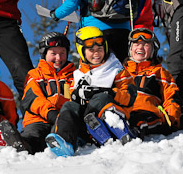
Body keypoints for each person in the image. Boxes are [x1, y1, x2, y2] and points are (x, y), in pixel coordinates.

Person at [45, 27, 137, 157]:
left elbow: (130, 95)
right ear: (82, 51)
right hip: (86, 125)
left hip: (111, 116)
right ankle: (65, 141)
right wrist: (76, 95)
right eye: (91, 50)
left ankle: (121, 132)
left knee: (100, 99)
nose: (96, 53)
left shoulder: (116, 70)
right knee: (69, 106)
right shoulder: (77, 75)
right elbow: (69, 97)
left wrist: (109, 93)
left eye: (99, 49)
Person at [21, 32, 76, 153]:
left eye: (62, 53)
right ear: (44, 54)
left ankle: (61, 145)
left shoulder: (74, 76)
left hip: (63, 121)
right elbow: (33, 98)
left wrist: (62, 115)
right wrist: (51, 113)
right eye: (53, 53)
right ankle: (23, 145)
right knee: (33, 134)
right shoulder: (35, 75)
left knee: (65, 125)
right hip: (38, 119)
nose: (58, 58)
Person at [124, 28, 181, 137]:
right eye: (136, 44)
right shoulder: (120, 71)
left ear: (153, 50)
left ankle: (133, 132)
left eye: (145, 44)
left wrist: (172, 120)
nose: (140, 47)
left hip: (148, 113)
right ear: (130, 49)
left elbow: (171, 96)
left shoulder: (159, 72)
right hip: (124, 112)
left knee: (140, 120)